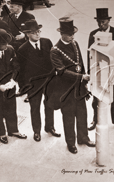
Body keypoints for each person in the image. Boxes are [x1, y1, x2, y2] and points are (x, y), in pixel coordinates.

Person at [49, 18, 95, 154]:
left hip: (79, 88)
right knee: (68, 117)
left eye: (73, 34)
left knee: (82, 114)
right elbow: (61, 71)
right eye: (69, 34)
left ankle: (83, 138)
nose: (72, 37)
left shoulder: (74, 44)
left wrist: (85, 82)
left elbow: (80, 64)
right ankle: (71, 143)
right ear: (62, 34)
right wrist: (81, 77)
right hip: (66, 90)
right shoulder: (55, 51)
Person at [17, 20, 60, 142]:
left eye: (38, 31)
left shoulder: (47, 42)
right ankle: (36, 131)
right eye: (34, 32)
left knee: (49, 105)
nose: (37, 34)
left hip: (49, 82)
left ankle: (50, 127)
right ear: (27, 34)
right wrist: (23, 88)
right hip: (33, 85)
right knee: (35, 108)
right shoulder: (22, 49)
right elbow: (21, 71)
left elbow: (54, 61)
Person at [87, 8, 114, 132]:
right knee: (96, 97)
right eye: (99, 22)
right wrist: (90, 72)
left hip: (113, 71)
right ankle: (95, 119)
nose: (101, 25)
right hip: (98, 71)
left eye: (103, 22)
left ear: (109, 21)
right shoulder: (93, 34)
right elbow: (90, 54)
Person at [0, 29, 27, 144]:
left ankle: (13, 130)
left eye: (6, 42)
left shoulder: (10, 49)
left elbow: (16, 66)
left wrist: (13, 80)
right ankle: (1, 133)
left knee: (11, 108)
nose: (6, 45)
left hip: (10, 85)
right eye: (2, 44)